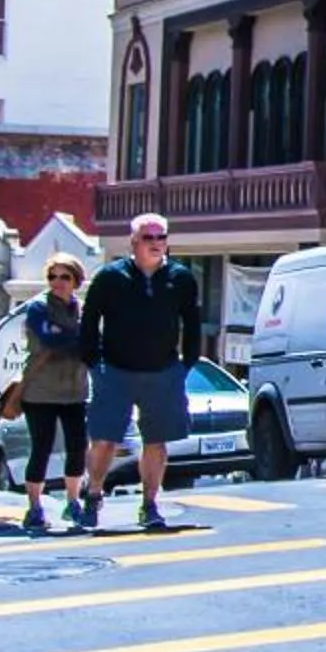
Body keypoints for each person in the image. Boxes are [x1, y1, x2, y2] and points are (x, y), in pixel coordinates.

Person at [80, 216, 204, 533]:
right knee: (104, 440)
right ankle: (93, 495)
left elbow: (192, 323)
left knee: (156, 441)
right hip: (115, 371)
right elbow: (89, 321)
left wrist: (186, 363)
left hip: (162, 372)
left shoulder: (181, 278)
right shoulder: (110, 277)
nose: (156, 242)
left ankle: (149, 505)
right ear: (134, 242)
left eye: (161, 236)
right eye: (148, 237)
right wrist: (94, 364)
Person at [14, 257, 96, 535]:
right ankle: (34, 506)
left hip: (75, 389)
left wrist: (72, 337)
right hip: (40, 391)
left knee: (77, 447)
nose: (57, 283)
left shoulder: (83, 309)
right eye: (52, 277)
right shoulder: (38, 307)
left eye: (64, 277)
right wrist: (77, 338)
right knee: (42, 447)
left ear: (76, 281)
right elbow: (50, 338)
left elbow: (92, 344)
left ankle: (72, 501)